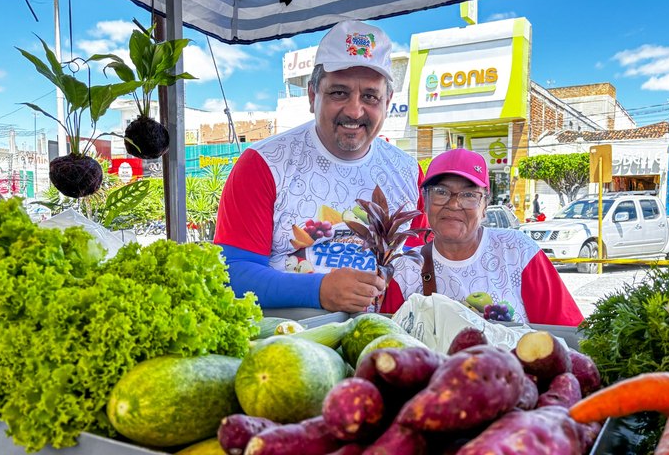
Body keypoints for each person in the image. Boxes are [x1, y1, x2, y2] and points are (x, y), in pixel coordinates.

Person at [214, 20, 427, 313]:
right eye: (339, 93)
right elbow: (232, 272)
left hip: (378, 343)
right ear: (313, 94)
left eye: (370, 96)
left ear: (388, 100)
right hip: (284, 343)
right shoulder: (263, 163)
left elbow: (418, 258)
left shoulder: (407, 172)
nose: (354, 110)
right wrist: (318, 290)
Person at [386, 148, 584, 326]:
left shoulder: (519, 252)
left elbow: (567, 330)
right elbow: (387, 344)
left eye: (469, 195)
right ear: (426, 202)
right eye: (441, 192)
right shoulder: (406, 270)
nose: (454, 204)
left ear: (485, 206)